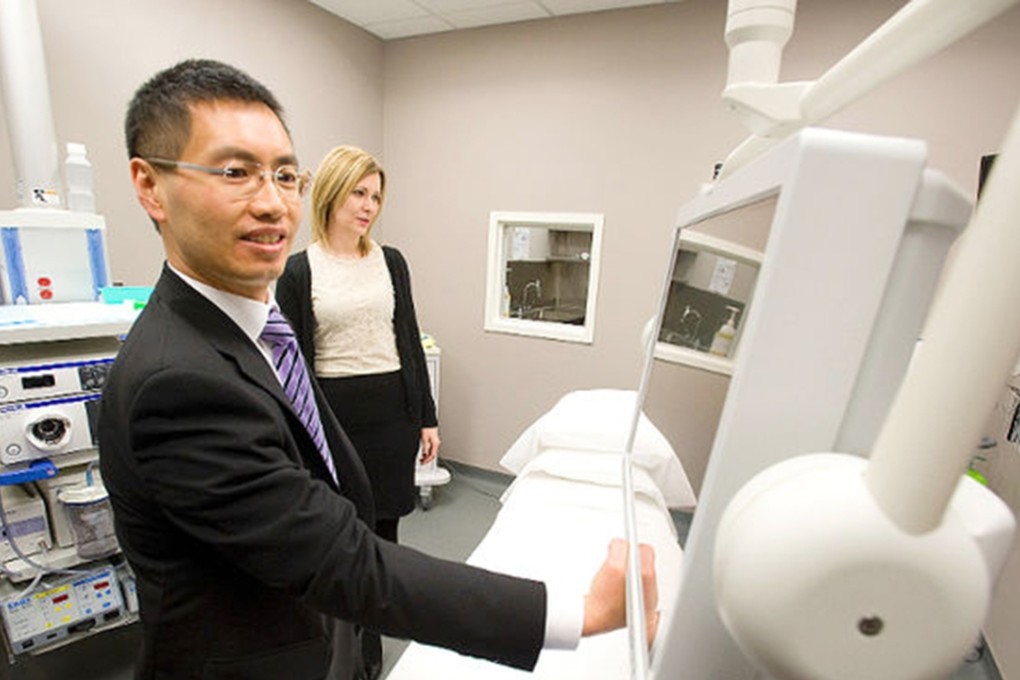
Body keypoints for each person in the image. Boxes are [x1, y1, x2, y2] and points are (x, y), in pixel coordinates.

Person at [98, 58, 658, 680]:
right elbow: (345, 562)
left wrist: (421, 416)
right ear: (150, 186)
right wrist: (575, 613)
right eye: (235, 172)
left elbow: (396, 360)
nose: (272, 203)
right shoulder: (179, 383)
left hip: (329, 590)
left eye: (286, 176)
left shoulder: (258, 329)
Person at [275, 145, 436, 679]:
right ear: (332, 195)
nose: (369, 206)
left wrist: (426, 417)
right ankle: (338, 642)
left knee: (384, 534)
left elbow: (408, 339)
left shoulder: (391, 262)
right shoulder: (300, 271)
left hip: (393, 414)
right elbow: (293, 362)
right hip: (334, 419)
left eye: (375, 196)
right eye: (358, 193)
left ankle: (370, 648)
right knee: (342, 536)